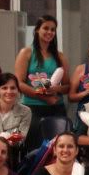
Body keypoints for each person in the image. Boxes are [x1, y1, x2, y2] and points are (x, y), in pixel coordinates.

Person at [14, 15, 71, 151]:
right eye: (46, 28)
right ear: (37, 30)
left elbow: (67, 87)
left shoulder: (60, 56)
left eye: (53, 29)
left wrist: (56, 89)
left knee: (57, 149)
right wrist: (44, 97)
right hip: (32, 108)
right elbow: (19, 83)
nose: (49, 32)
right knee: (34, 149)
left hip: (56, 108)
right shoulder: (26, 53)